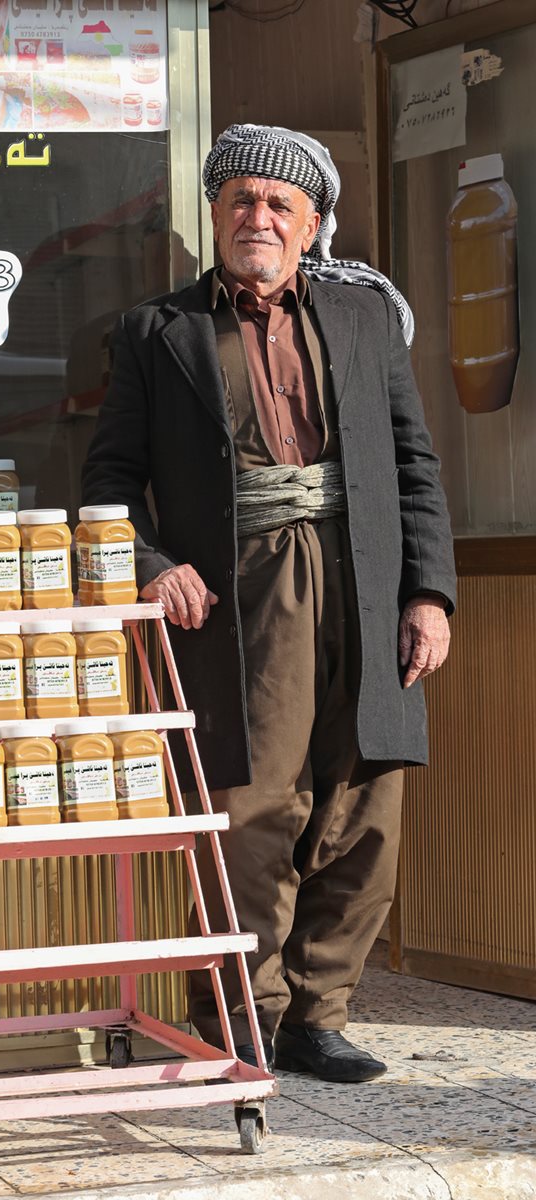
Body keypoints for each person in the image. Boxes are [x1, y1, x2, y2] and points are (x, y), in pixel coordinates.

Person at [81, 124, 455, 1083]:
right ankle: (245, 1008)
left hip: (365, 581)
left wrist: (428, 592)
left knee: (368, 801)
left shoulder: (366, 320)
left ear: (312, 222)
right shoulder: (156, 333)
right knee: (250, 805)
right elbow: (109, 482)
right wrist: (153, 563)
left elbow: (413, 465)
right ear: (214, 214)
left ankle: (319, 1015)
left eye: (279, 204)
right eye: (241, 200)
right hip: (242, 595)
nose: (259, 217)